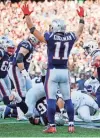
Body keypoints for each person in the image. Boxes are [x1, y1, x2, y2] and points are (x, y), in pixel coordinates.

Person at [21, 3, 84, 133]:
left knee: (51, 98)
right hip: (65, 71)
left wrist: (27, 16)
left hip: (53, 71)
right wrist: (82, 18)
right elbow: (79, 31)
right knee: (67, 99)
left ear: (55, 27)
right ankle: (71, 125)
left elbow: (32, 30)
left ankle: (52, 126)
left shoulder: (50, 37)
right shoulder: (70, 37)